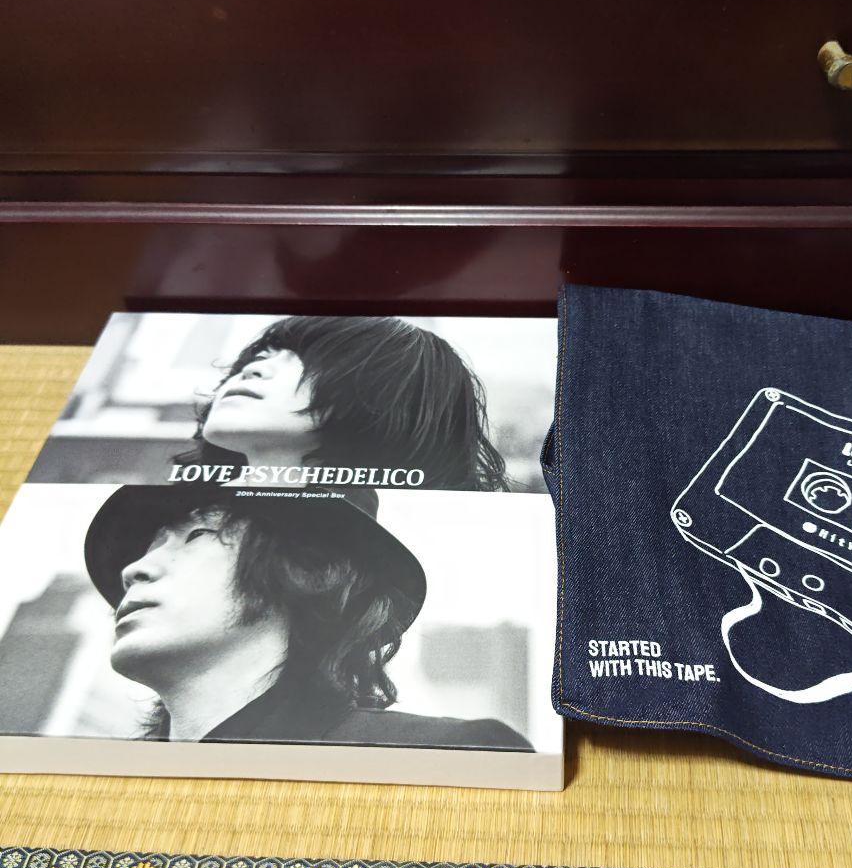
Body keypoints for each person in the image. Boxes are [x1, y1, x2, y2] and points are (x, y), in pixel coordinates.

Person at [83, 484, 532, 750]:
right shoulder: (97, 796)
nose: (134, 569)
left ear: (307, 571)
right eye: (151, 545)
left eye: (197, 534)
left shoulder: (448, 754)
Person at [175, 315, 509, 491]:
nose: (252, 369)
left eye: (309, 360)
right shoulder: (177, 518)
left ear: (386, 394)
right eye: (260, 356)